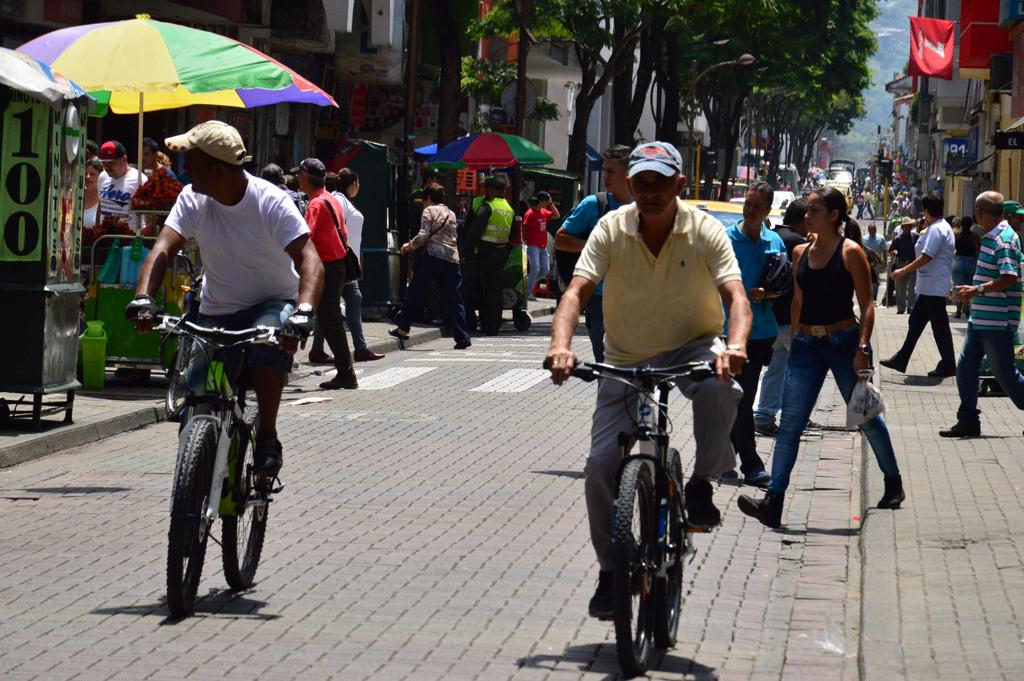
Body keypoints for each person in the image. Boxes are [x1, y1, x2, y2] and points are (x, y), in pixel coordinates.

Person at [545, 141, 749, 618]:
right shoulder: (610, 228)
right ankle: (611, 571)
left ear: (680, 184)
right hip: (626, 353)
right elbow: (576, 291)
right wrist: (560, 345)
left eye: (662, 182)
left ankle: (700, 484)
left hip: (694, 344)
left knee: (726, 389)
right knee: (599, 465)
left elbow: (736, 296)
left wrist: (735, 346)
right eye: (642, 182)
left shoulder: (704, 230)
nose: (651, 192)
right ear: (629, 185)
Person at [125, 121, 324, 478]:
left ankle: (267, 436)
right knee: (196, 395)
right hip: (216, 310)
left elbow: (310, 260)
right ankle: (192, 484)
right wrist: (143, 298)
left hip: (270, 302)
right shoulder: (194, 197)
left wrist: (303, 311)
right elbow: (163, 248)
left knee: (270, 345)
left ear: (218, 171)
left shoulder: (270, 201)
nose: (186, 173)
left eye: (192, 166)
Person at [738, 186, 905, 529]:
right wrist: (798, 334)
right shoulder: (801, 251)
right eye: (807, 211)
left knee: (866, 417)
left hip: (844, 342)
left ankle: (893, 482)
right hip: (807, 346)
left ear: (833, 216)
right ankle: (774, 501)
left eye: (814, 210)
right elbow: (798, 299)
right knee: (789, 426)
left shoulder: (851, 252)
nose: (806, 216)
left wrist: (862, 348)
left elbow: (867, 305)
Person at [940, 192, 1024, 438]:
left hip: (997, 321)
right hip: (981, 318)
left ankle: (968, 419)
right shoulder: (990, 237)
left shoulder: (1004, 240)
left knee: (1005, 374)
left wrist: (977, 289)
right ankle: (967, 420)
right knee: (966, 368)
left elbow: (1009, 277)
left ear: (980, 211)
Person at [720, 181, 783, 486]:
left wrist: (768, 294)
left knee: (741, 398)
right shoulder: (727, 239)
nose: (751, 210)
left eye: (758, 205)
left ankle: (727, 458)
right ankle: (750, 463)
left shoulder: (774, 242)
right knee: (736, 398)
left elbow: (782, 285)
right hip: (726, 330)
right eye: (748, 203)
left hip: (760, 332)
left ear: (768, 210)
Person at [553, 145, 633, 362]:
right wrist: (595, 244)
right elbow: (560, 240)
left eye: (611, 171)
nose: (605, 176)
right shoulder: (594, 205)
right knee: (608, 366)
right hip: (601, 300)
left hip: (638, 300)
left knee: (636, 368)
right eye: (604, 170)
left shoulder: (646, 206)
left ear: (629, 174)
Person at [294, 158, 359, 391]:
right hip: (337, 264)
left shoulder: (315, 204)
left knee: (328, 319)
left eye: (298, 176)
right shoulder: (329, 198)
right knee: (328, 318)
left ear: (304, 178)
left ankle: (346, 373)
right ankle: (345, 372)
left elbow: (303, 236)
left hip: (327, 267)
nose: (296, 180)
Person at [880, 193, 957, 377]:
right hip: (930, 286)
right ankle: (902, 358)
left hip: (933, 286)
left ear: (927, 210)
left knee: (940, 327)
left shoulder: (937, 229)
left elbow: (926, 256)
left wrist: (902, 271)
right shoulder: (938, 227)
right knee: (916, 322)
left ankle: (948, 364)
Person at [390, 183, 472, 350]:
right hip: (451, 260)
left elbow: (423, 235)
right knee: (454, 298)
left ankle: (403, 328)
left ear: (428, 198)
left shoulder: (429, 211)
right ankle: (462, 336)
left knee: (415, 291)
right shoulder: (451, 213)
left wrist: (409, 246)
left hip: (433, 257)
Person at [754, 198, 808, 436]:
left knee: (777, 368)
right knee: (801, 369)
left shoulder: (774, 237)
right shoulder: (798, 243)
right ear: (802, 219)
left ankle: (764, 415)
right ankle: (793, 416)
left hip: (770, 317)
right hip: (790, 318)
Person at [328, 169, 383, 362]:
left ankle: (319, 348)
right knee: (346, 301)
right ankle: (359, 348)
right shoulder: (340, 199)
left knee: (331, 304)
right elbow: (338, 228)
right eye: (358, 183)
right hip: (342, 261)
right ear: (352, 184)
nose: (359, 187)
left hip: (345, 261)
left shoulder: (341, 199)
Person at [461, 175, 515, 335]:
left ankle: (470, 322)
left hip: (482, 253)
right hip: (501, 252)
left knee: (470, 288)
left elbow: (473, 232)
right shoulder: (508, 208)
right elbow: (512, 233)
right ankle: (491, 326)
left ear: (490, 190)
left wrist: (466, 252)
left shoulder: (486, 206)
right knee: (494, 290)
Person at [97, 140, 146, 232]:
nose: (107, 167)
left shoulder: (140, 179)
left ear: (124, 159)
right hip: (104, 238)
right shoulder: (102, 176)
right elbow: (100, 206)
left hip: (131, 240)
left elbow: (150, 218)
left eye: (111, 162)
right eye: (103, 162)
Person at [523, 191, 560, 300]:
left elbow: (557, 215)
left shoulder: (544, 212)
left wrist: (551, 204)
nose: (548, 204)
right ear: (541, 201)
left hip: (542, 246)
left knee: (545, 269)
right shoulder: (530, 213)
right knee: (535, 268)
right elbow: (524, 228)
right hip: (532, 245)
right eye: (547, 202)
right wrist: (523, 240)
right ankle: (528, 292)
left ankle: (527, 286)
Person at [888, 217, 918, 313]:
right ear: (902, 227)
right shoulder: (898, 239)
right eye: (905, 227)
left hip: (912, 264)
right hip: (901, 264)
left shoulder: (915, 237)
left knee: (912, 286)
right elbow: (891, 251)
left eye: (909, 226)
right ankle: (901, 308)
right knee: (900, 287)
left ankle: (911, 307)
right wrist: (894, 252)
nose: (907, 228)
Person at [863, 223, 887, 302]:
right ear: (868, 230)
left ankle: (874, 296)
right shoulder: (864, 239)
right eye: (870, 231)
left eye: (873, 230)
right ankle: (867, 295)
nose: (872, 232)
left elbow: (884, 251)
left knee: (875, 280)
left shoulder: (881, 239)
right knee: (866, 279)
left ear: (876, 230)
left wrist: (885, 261)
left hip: (876, 263)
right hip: (866, 262)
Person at [82, 159, 103, 231]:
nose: (87, 177)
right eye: (85, 174)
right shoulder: (75, 197)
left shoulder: (104, 201)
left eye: (92, 174)